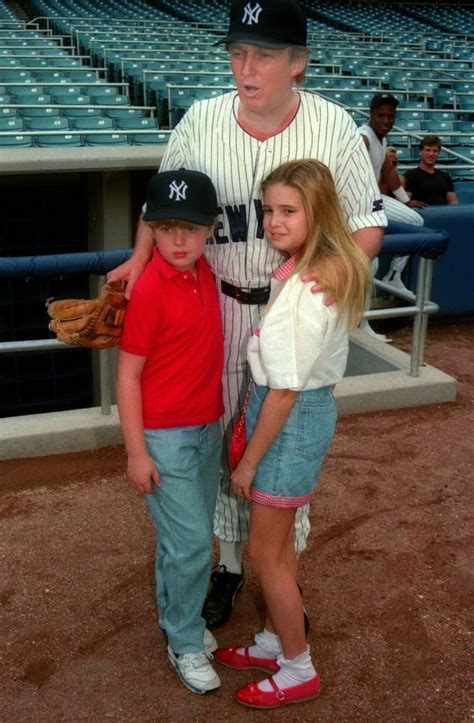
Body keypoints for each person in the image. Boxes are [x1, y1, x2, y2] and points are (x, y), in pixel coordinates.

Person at [109, 0, 386, 630]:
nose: (245, 67)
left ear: (298, 64)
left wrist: (318, 285)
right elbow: (161, 204)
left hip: (292, 316)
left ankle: (278, 575)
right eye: (237, 53)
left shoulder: (334, 126)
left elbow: (367, 225)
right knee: (219, 445)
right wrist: (138, 260)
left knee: (279, 449)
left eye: (262, 54)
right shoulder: (201, 121)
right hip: (219, 309)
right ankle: (230, 567)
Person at [214, 159, 370, 709]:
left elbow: (282, 392)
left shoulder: (308, 287)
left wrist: (247, 464)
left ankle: (298, 668)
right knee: (276, 546)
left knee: (265, 551)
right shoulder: (311, 268)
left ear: (317, 213)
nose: (273, 221)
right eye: (268, 209)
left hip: (288, 418)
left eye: (288, 210)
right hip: (292, 413)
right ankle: (277, 639)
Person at [116, 169, 225, 694]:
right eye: (166, 228)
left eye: (191, 227)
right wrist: (137, 453)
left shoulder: (206, 271)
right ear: (150, 230)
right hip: (165, 437)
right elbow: (127, 377)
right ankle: (184, 637)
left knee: (183, 542)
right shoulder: (151, 289)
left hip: (207, 427)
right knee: (193, 548)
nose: (179, 240)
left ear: (209, 230)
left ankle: (175, 620)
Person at [358, 93, 423, 297]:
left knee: (415, 221)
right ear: (371, 114)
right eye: (380, 116)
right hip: (358, 204)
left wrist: (406, 200)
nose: (386, 121)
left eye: (390, 116)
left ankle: (394, 276)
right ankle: (361, 321)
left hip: (375, 199)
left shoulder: (381, 140)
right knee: (369, 263)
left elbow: (388, 171)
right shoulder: (363, 137)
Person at [404, 134, 459, 206]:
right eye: (428, 150)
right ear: (420, 152)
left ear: (438, 153)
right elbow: (406, 201)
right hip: (421, 215)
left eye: (435, 151)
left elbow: (453, 201)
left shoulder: (445, 176)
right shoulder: (410, 175)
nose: (431, 154)